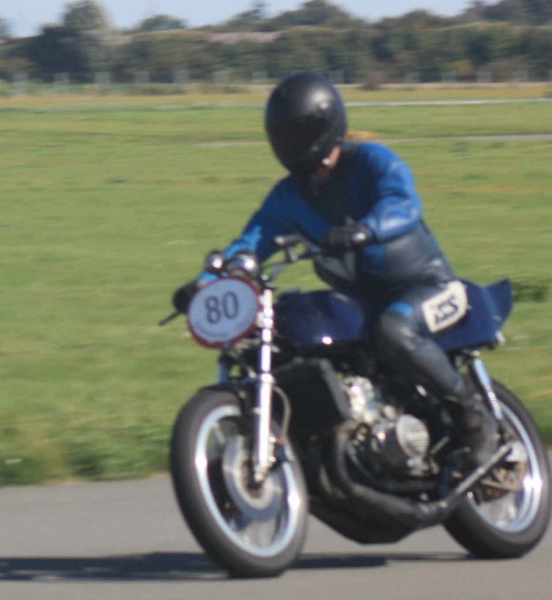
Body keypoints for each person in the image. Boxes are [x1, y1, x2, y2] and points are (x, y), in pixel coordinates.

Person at [174, 71, 496, 471]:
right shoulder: (289, 194)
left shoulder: (373, 161)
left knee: (395, 329)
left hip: (426, 285)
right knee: (294, 328)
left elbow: (404, 205)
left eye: (298, 133)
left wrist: (365, 229)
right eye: (282, 136)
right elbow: (252, 243)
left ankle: (473, 420)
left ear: (327, 126)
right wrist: (208, 282)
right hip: (362, 299)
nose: (289, 145)